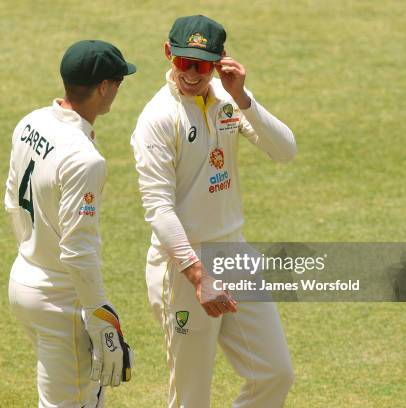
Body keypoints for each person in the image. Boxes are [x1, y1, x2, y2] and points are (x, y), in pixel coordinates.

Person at [130, 15, 296, 407]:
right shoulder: (157, 119)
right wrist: (197, 273)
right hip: (184, 268)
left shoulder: (226, 99)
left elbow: (285, 149)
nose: (191, 73)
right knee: (192, 397)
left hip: (233, 252)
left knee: (274, 373)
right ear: (168, 54)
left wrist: (243, 98)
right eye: (183, 62)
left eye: (202, 64)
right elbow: (157, 207)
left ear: (219, 61)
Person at [5, 40, 136, 408]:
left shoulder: (31, 122)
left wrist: (33, 251)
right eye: (118, 82)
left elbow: (10, 199)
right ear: (103, 88)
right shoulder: (84, 159)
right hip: (59, 301)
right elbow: (79, 251)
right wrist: (99, 315)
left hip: (23, 281)